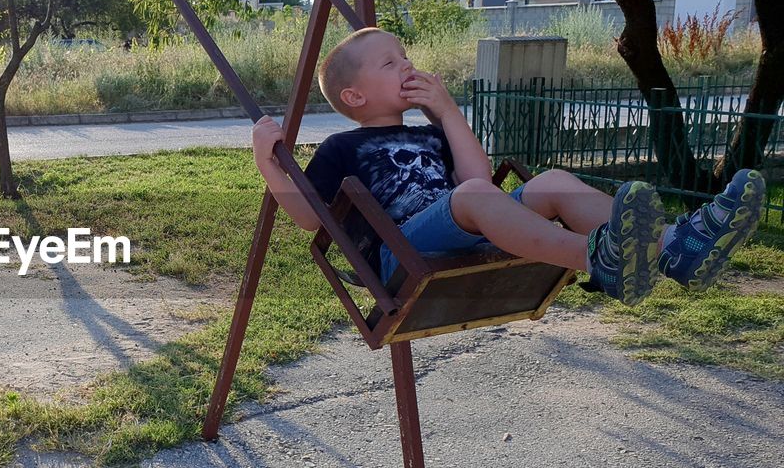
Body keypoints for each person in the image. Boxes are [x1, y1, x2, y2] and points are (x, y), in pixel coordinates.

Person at [252, 27, 765, 306]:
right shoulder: (343, 146)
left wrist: (449, 112)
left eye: (405, 55)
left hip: (463, 225)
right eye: (391, 63)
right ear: (354, 95)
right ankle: (598, 258)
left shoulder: (431, 131)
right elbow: (309, 218)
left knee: (553, 182)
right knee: (473, 196)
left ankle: (678, 246)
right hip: (401, 255)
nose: (408, 65)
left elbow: (476, 172)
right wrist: (268, 162)